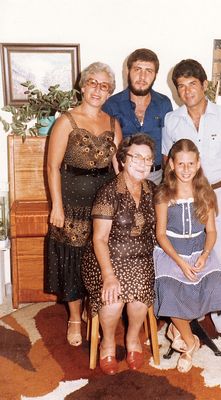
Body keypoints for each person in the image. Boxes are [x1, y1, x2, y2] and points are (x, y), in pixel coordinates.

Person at [162, 59, 221, 343]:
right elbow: (167, 162)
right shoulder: (172, 120)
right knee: (186, 253)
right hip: (181, 197)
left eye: (192, 84)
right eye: (181, 86)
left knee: (220, 254)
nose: (187, 91)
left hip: (216, 193)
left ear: (204, 85)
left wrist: (215, 191)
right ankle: (189, 314)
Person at [44, 62, 122, 347]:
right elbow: (52, 167)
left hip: (103, 207)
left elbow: (118, 168)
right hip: (72, 204)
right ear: (82, 85)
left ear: (109, 92)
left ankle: (95, 309)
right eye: (92, 82)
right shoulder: (66, 121)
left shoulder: (113, 124)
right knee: (72, 262)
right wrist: (57, 206)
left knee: (99, 258)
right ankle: (75, 317)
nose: (97, 90)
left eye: (104, 86)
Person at [81, 134, 156, 375]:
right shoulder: (108, 192)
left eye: (147, 158)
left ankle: (133, 339)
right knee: (113, 300)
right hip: (106, 259)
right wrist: (109, 275)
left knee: (138, 297)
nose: (142, 163)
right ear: (123, 159)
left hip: (141, 259)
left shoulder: (153, 190)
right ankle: (108, 342)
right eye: (136, 157)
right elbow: (99, 239)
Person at [154, 138, 221, 373]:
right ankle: (190, 343)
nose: (185, 169)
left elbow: (211, 231)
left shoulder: (205, 194)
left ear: (198, 165)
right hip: (170, 251)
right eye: (180, 164)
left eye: (190, 164)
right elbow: (160, 235)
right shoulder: (164, 195)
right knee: (169, 290)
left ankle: (177, 327)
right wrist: (179, 262)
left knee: (214, 285)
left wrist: (206, 255)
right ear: (172, 166)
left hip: (198, 248)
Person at [103, 48, 173, 185]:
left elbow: (169, 145)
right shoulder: (111, 105)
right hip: (123, 176)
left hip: (157, 178)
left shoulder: (164, 103)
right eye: (137, 69)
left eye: (148, 71)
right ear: (127, 71)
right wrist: (121, 181)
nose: (142, 77)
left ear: (155, 75)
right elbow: (107, 148)